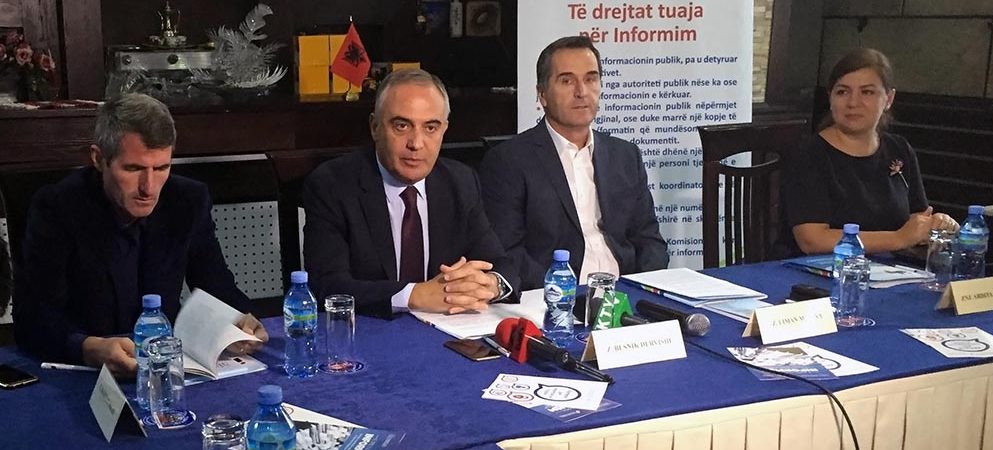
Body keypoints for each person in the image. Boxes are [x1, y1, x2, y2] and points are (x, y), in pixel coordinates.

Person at [13, 93, 268, 377]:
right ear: (99, 159)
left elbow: (215, 284)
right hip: (84, 373)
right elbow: (32, 318)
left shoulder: (188, 200)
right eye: (133, 169)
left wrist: (240, 318)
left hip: (165, 366)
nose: (149, 187)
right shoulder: (58, 207)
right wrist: (87, 347)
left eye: (161, 168)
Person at [303, 69, 519, 318]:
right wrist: (414, 295)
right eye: (402, 126)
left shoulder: (460, 182)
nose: (416, 143)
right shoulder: (332, 185)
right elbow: (328, 287)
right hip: (370, 330)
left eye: (431, 128)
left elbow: (501, 264)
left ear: (444, 130)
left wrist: (490, 285)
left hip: (446, 328)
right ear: (375, 127)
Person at [479, 36, 668, 289]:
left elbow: (649, 240)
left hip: (626, 293)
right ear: (542, 94)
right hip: (556, 297)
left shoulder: (625, 156)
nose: (581, 92)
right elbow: (507, 252)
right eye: (567, 81)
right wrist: (561, 293)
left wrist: (641, 289)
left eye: (590, 79)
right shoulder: (508, 161)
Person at [782, 48, 958, 255]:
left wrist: (935, 224)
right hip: (822, 268)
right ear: (830, 98)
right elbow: (813, 240)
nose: (853, 103)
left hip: (891, 268)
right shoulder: (809, 154)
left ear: (889, 99)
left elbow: (916, 219)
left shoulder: (899, 149)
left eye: (867, 92)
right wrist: (898, 238)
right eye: (842, 92)